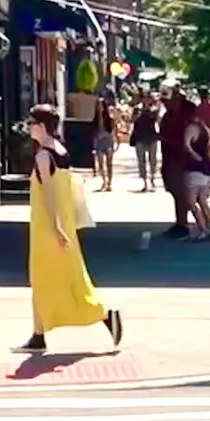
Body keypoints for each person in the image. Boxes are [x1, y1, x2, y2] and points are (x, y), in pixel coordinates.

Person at [14, 104, 122, 355]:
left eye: (31, 123)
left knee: (58, 280)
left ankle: (104, 315)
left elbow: (49, 195)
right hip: (60, 224)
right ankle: (38, 335)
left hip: (48, 227)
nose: (28, 128)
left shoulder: (43, 156)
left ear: (40, 126)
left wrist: (56, 228)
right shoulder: (60, 151)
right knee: (52, 279)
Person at [159, 87, 196, 238]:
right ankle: (180, 222)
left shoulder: (183, 119)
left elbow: (182, 140)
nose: (167, 104)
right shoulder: (169, 116)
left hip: (179, 158)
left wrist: (162, 138)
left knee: (180, 192)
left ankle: (183, 223)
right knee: (175, 191)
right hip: (169, 157)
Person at [183, 115, 210, 242]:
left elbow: (186, 145)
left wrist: (194, 155)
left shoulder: (191, 129)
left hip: (194, 168)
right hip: (206, 168)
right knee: (202, 200)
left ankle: (203, 230)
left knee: (191, 202)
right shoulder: (207, 130)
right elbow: (209, 149)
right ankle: (209, 225)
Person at [130, 96, 160, 191]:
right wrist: (138, 113)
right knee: (141, 161)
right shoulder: (137, 109)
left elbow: (157, 120)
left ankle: (152, 179)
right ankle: (144, 182)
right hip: (140, 138)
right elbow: (132, 120)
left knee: (152, 160)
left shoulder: (153, 110)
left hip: (151, 137)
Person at [93, 93, 117, 192]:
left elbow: (114, 130)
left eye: (101, 105)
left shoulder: (109, 118)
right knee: (100, 163)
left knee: (109, 163)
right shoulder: (95, 119)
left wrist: (116, 143)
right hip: (99, 141)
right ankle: (104, 180)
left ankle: (109, 183)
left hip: (108, 141)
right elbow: (93, 132)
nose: (100, 107)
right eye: (98, 105)